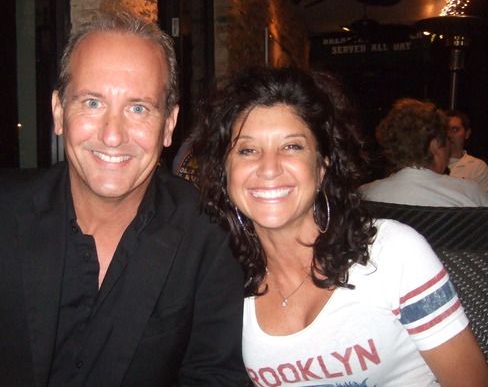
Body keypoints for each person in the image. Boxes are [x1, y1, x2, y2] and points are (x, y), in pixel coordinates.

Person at [0, 12, 248, 387]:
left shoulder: (207, 230)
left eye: (138, 108)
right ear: (59, 113)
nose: (112, 135)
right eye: (92, 103)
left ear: (169, 125)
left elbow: (216, 374)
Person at [192, 67, 488, 387]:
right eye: (247, 150)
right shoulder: (220, 283)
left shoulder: (392, 253)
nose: (269, 167)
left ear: (322, 166)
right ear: (226, 171)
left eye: (292, 146)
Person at [359, 98, 488, 207]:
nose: (449, 149)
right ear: (435, 144)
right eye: (447, 139)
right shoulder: (470, 195)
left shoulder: (365, 195)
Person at [446, 109, 488, 192]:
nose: (449, 135)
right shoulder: (429, 162)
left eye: (455, 130)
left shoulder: (477, 167)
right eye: (445, 129)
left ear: (467, 133)